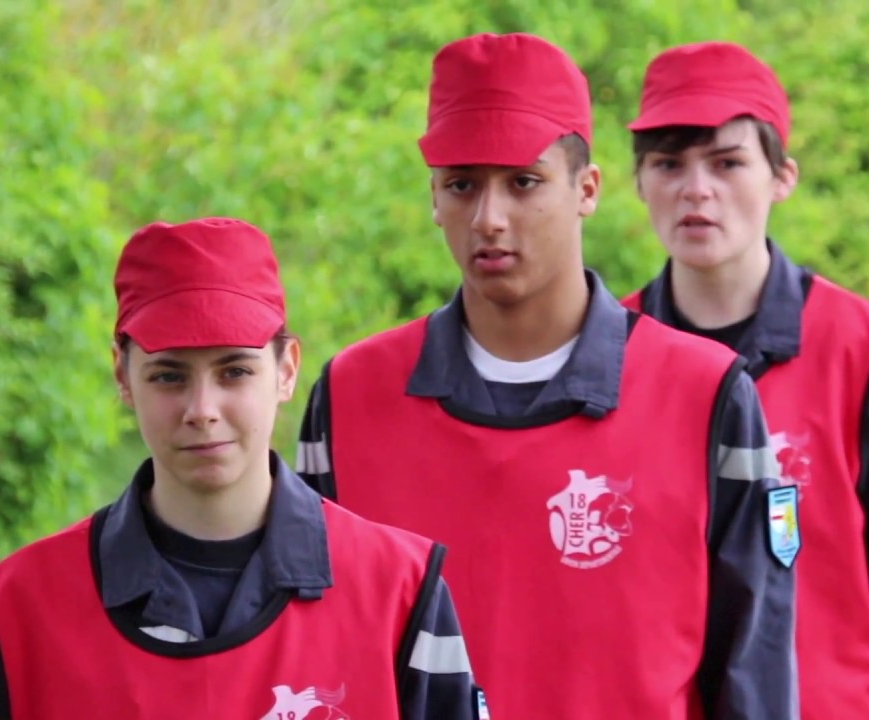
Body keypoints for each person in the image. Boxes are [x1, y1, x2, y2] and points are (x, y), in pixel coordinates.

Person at [297, 32, 798, 718]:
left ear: (585, 188)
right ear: (434, 197)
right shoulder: (352, 395)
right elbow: (313, 651)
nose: (489, 218)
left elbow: (754, 672)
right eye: (462, 184)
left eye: (524, 182)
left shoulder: (707, 395)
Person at [0, 217, 484, 719]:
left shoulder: (401, 590)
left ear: (285, 370)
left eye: (234, 371)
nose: (202, 409)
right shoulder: (21, 609)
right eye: (169, 376)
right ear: (123, 375)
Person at [621, 41, 869, 720]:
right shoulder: (611, 352)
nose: (697, 189)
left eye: (727, 163)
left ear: (783, 176)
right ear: (637, 183)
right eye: (669, 164)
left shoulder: (861, 345)